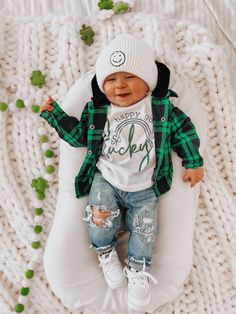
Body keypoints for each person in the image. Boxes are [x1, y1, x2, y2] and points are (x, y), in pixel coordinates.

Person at [39, 34, 204, 311]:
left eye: (129, 77)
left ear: (148, 81)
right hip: (107, 180)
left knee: (145, 228)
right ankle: (105, 253)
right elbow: (79, 137)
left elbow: (184, 133)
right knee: (99, 217)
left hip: (146, 187)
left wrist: (194, 162)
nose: (120, 85)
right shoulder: (98, 111)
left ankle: (138, 270)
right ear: (103, 87)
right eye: (112, 80)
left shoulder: (160, 109)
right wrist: (55, 115)